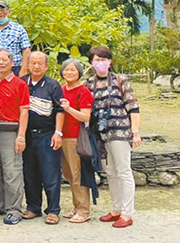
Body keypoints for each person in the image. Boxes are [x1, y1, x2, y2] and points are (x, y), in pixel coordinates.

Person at [87, 46, 141, 228]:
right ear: (91, 63)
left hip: (119, 132)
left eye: (103, 59)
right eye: (96, 60)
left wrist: (135, 133)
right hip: (100, 135)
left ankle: (127, 213)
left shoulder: (121, 80)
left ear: (110, 61)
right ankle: (116, 208)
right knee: (110, 172)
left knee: (123, 171)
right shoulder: (89, 83)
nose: (100, 63)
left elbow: (133, 107)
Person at [0, 48, 30, 225]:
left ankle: (14, 209)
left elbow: (24, 111)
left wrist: (21, 136)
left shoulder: (20, 84)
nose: (1, 63)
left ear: (12, 62)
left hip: (10, 131)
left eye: (5, 60)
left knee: (12, 171)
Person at [21, 51, 64, 225]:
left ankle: (53, 210)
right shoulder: (22, 82)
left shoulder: (53, 85)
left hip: (47, 134)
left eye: (40, 63)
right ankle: (33, 207)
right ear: (28, 65)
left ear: (46, 66)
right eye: (33, 63)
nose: (36, 66)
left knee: (50, 174)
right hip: (26, 135)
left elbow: (60, 110)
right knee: (29, 173)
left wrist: (58, 133)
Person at [58, 58, 94, 224]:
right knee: (69, 174)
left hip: (75, 137)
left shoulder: (83, 91)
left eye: (73, 70)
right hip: (61, 136)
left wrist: (69, 109)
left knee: (77, 173)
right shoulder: (61, 89)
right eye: (66, 69)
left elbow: (85, 116)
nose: (69, 72)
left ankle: (83, 210)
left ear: (79, 72)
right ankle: (76, 206)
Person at [0, 1, 31, 78]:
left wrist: (24, 69)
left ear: (9, 12)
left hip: (14, 68)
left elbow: (26, 49)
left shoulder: (18, 29)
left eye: (2, 10)